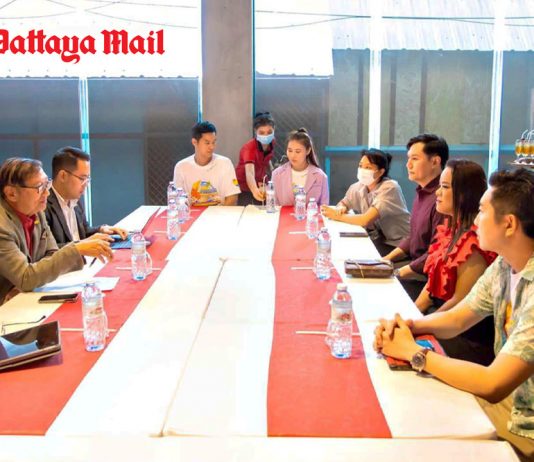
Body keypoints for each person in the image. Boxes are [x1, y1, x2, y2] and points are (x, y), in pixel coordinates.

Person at [374, 168, 534, 461]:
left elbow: (493, 384)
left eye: (483, 211)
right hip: (509, 404)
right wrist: (409, 326)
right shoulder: (504, 264)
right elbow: (459, 317)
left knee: (422, 427)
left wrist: (414, 353)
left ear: (509, 224)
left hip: (526, 426)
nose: (476, 220)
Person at [416, 159, 497, 365]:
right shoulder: (451, 229)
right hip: (443, 319)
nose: (437, 192)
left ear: (464, 194)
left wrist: (421, 326)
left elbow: (460, 302)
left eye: (444, 187)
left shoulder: (474, 242)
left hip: (466, 336)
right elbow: (431, 286)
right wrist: (412, 315)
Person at [0, 158, 113, 305]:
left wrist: (28, 278)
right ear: (11, 194)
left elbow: (52, 253)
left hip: (24, 298)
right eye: (40, 187)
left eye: (47, 184)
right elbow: (25, 278)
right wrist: (76, 249)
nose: (47, 193)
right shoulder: (3, 226)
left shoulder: (36, 211)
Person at [382, 134, 449, 300]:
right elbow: (414, 236)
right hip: (414, 266)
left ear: (435, 161)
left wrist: (399, 272)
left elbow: (438, 252)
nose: (408, 164)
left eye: (415, 158)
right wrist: (385, 259)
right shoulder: (422, 192)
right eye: (408, 158)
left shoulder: (443, 198)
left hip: (427, 278)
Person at [321, 148, 410, 256]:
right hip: (378, 240)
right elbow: (344, 203)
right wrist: (342, 208)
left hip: (399, 243)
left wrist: (336, 215)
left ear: (380, 172)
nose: (362, 170)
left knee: (354, 255)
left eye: (368, 167)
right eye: (360, 166)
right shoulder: (359, 186)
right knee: (343, 248)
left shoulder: (390, 187)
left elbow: (365, 220)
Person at [45, 146, 128, 247]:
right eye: (82, 178)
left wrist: (102, 230)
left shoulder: (74, 197)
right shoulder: (43, 204)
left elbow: (83, 232)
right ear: (63, 176)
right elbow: (48, 250)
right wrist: (83, 244)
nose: (86, 184)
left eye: (87, 179)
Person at [174, 121, 241, 206]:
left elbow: (232, 196)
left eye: (214, 142)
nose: (212, 147)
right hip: (193, 213)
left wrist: (222, 213)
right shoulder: (181, 167)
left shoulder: (225, 163)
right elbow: (178, 200)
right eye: (207, 143)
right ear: (194, 142)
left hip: (220, 213)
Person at [271, 128, 329, 206]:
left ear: (308, 150)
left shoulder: (320, 176)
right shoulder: (277, 174)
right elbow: (273, 207)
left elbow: (324, 208)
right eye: (290, 150)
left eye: (298, 151)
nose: (293, 155)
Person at [235, 111, 276, 205]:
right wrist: (254, 190)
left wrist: (273, 174)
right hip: (244, 187)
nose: (266, 136)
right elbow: (249, 173)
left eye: (269, 132)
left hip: (260, 183)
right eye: (261, 132)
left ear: (274, 129)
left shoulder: (272, 142)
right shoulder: (249, 148)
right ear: (255, 132)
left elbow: (267, 159)